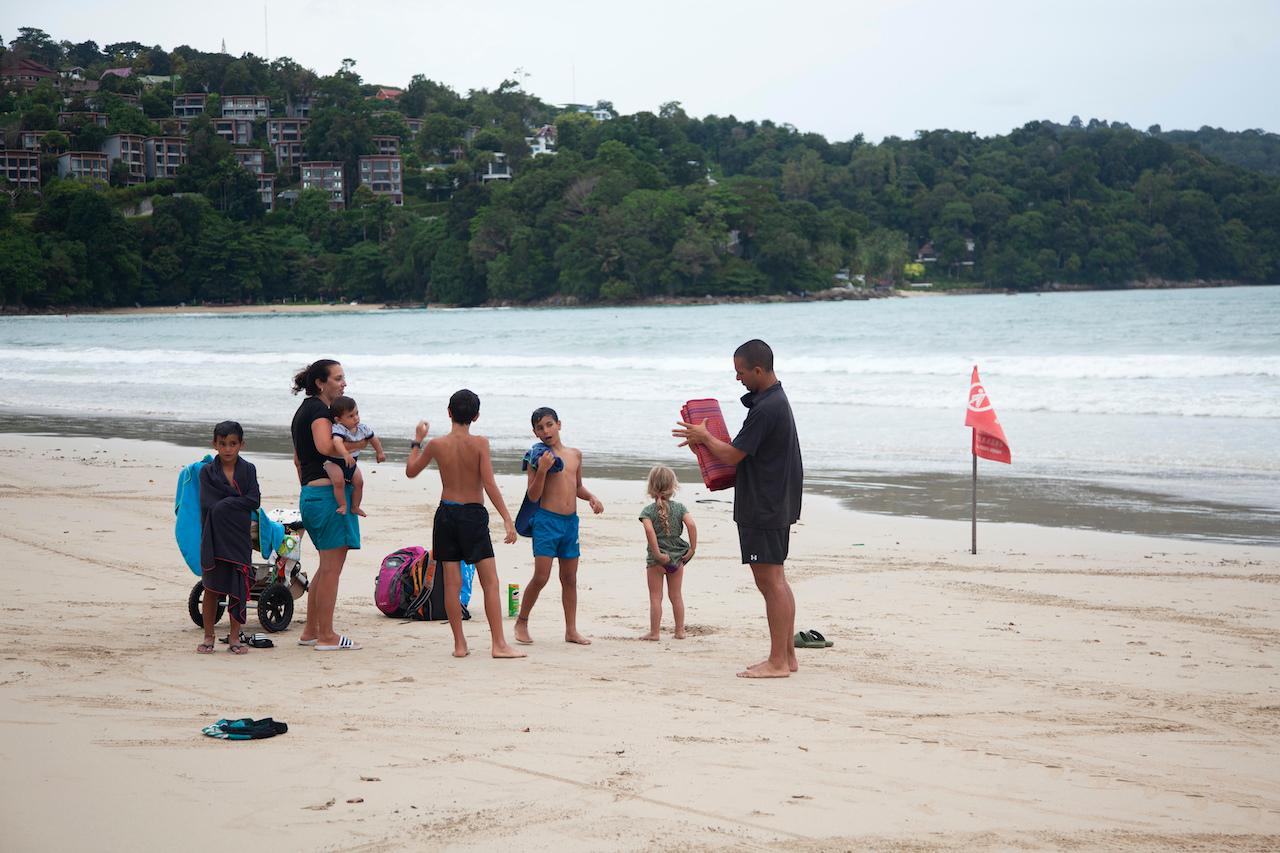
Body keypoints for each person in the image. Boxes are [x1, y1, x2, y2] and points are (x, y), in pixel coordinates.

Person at [673, 339, 803, 678]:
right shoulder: (772, 400)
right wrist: (703, 447)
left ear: (758, 370)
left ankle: (777, 663)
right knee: (778, 579)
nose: (738, 379)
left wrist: (704, 439)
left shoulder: (766, 408)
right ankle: (786, 656)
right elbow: (739, 456)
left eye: (741, 372)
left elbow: (732, 455)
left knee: (770, 581)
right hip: (775, 500)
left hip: (764, 505)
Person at [405, 389, 525, 660]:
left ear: (449, 412)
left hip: (446, 515)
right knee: (490, 582)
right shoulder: (480, 443)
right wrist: (507, 518)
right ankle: (498, 645)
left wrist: (417, 441)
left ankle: (460, 644)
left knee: (451, 582)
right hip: (472, 515)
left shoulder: (436, 444)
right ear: (476, 416)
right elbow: (489, 484)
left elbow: (411, 471)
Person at [514, 407, 604, 646]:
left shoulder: (575, 455)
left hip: (569, 524)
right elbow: (533, 495)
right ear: (535, 432)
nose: (546, 430)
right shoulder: (536, 457)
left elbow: (577, 486)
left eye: (549, 424)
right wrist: (542, 470)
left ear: (559, 424)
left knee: (570, 578)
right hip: (546, 522)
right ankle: (522, 621)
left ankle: (571, 630)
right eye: (540, 427)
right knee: (541, 576)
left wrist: (591, 497)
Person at [291, 359, 361, 652]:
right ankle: (328, 636)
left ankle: (311, 630)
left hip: (312, 495)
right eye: (338, 378)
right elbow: (323, 446)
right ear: (321, 383)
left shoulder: (303, 412)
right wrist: (354, 447)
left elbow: (298, 460)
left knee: (325, 567)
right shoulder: (320, 412)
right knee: (331, 569)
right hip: (328, 499)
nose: (344, 383)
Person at [197, 421, 261, 655]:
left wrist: (226, 503)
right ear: (214, 444)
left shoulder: (248, 470)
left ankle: (235, 637)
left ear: (241, 445)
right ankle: (208, 636)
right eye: (222, 444)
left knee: (238, 586)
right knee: (211, 588)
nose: (227, 449)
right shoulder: (206, 472)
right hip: (213, 536)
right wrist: (235, 502)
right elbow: (207, 505)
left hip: (238, 536)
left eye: (233, 444)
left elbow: (254, 500)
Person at [637, 465, 697, 641]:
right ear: (673, 486)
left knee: (656, 597)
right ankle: (679, 631)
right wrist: (692, 548)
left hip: (656, 561)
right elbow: (691, 525)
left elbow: (649, 531)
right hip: (677, 558)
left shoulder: (648, 511)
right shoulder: (680, 508)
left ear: (651, 487)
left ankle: (655, 633)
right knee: (676, 595)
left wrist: (657, 553)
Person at [323, 395, 385, 517]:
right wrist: (345, 454)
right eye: (350, 416)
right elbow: (337, 442)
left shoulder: (362, 428)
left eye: (356, 413)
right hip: (333, 462)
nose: (356, 418)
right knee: (338, 481)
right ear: (339, 419)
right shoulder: (339, 428)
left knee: (359, 482)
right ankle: (343, 504)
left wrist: (379, 452)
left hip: (352, 462)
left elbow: (373, 439)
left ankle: (355, 506)